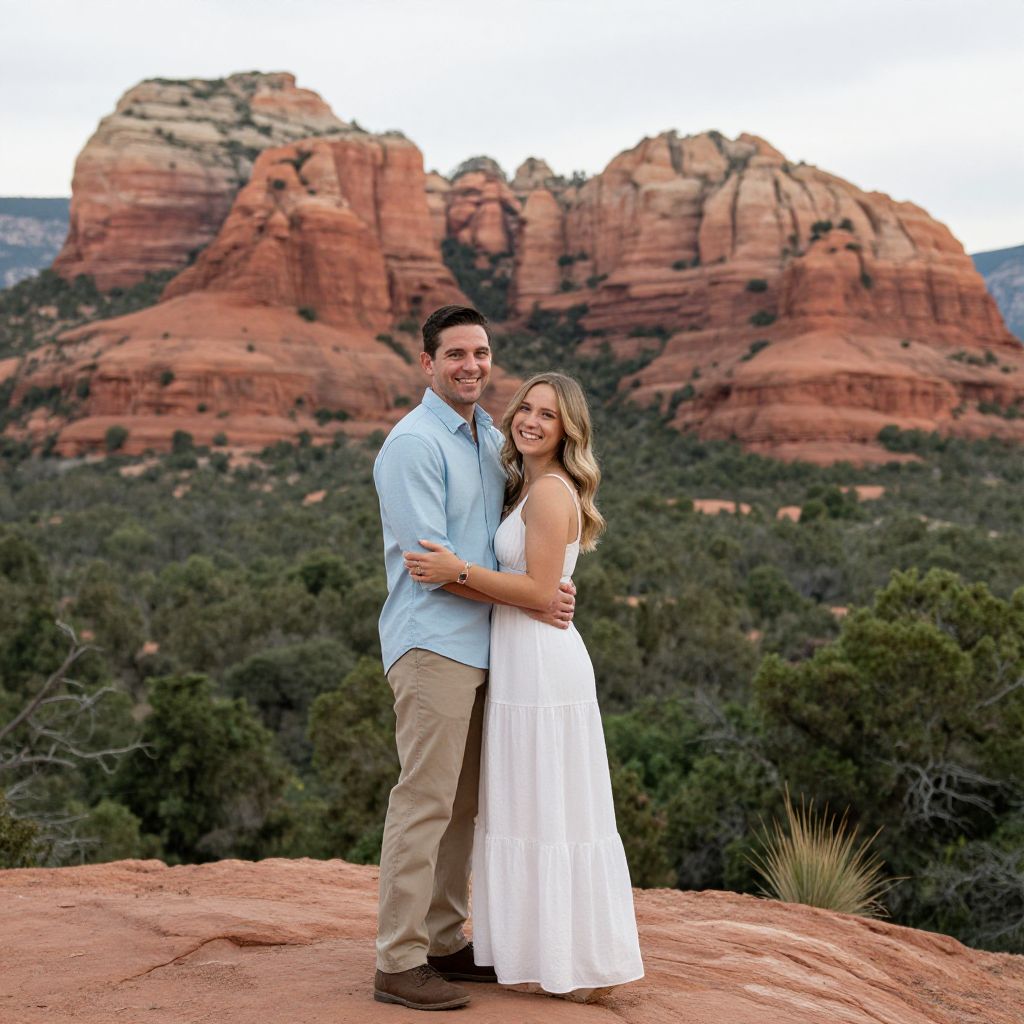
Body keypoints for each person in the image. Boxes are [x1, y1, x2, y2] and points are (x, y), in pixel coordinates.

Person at [405, 371, 644, 997]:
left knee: (550, 809)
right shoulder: (526, 486)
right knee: (529, 805)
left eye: (549, 415)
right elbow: (540, 586)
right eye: (526, 409)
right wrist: (522, 590)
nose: (531, 422)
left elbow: (540, 590)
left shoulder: (548, 493)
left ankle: (573, 963)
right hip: (519, 656)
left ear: (569, 429)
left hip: (541, 665)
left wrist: (458, 570)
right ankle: (543, 954)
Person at [372, 306, 576, 1012]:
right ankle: (397, 961)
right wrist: (529, 597)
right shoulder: (413, 444)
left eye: (481, 352)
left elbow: (497, 544)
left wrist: (542, 585)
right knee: (424, 799)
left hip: (486, 644)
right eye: (455, 353)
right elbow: (433, 563)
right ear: (426, 363)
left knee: (463, 806)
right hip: (433, 644)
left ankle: (443, 940)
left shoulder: (487, 435)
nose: (471, 365)